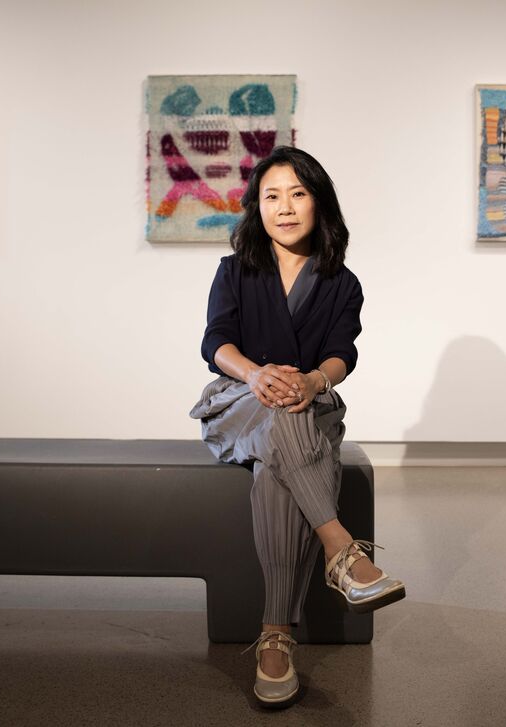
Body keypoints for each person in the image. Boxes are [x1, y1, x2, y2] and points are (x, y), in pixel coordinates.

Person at [189, 146, 406, 708]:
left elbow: (341, 355)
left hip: (309, 411)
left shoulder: (342, 282)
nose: (285, 207)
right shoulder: (235, 270)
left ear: (319, 201)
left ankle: (275, 636)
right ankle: (342, 552)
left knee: (274, 469)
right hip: (240, 401)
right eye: (272, 196)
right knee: (277, 408)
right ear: (256, 208)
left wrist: (311, 382)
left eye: (298, 193)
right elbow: (216, 343)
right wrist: (258, 374)